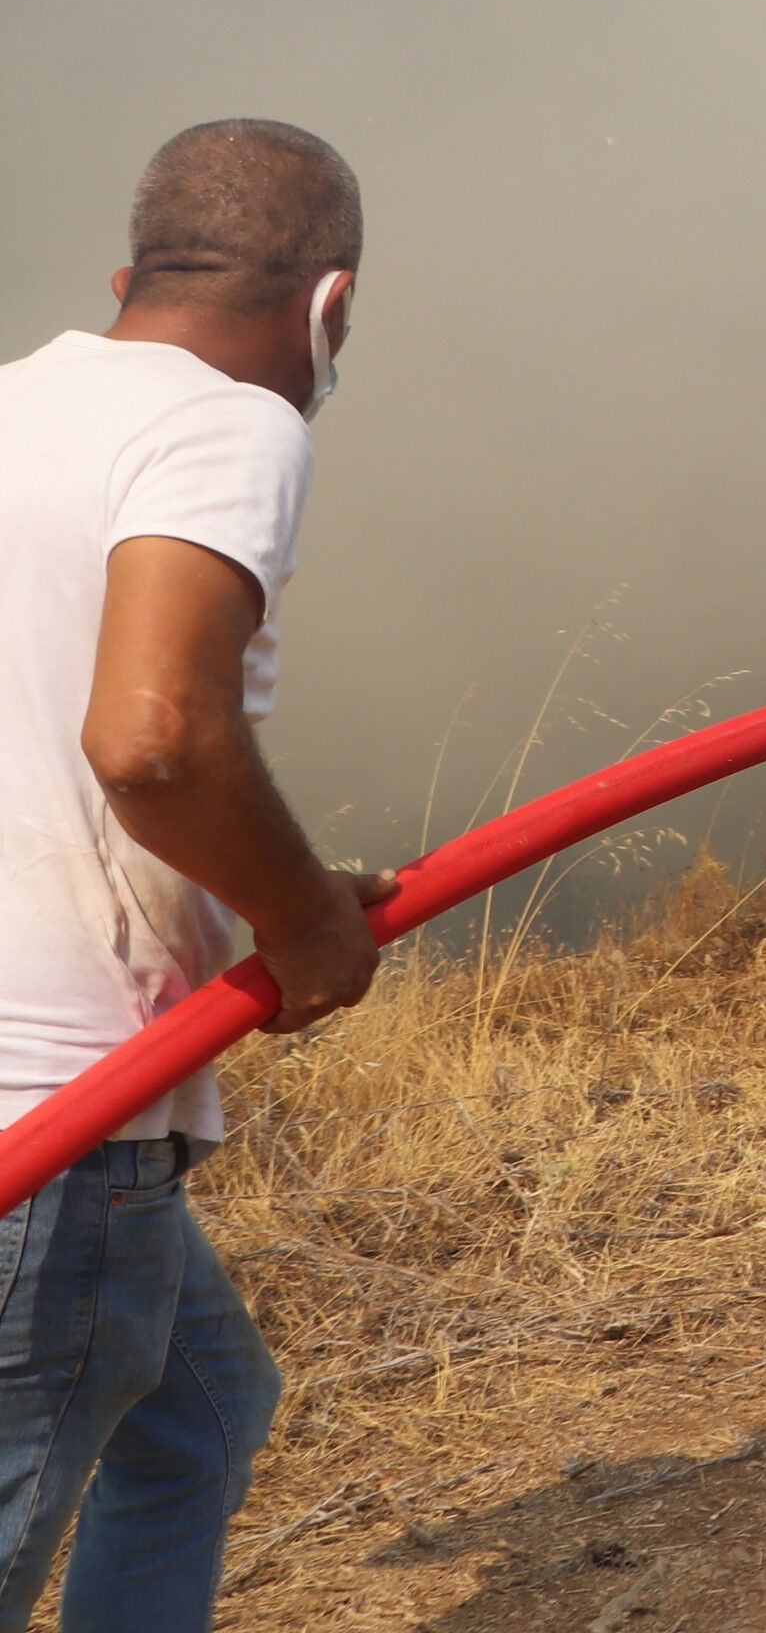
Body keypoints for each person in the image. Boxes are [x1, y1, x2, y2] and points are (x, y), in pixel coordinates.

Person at [0, 119, 395, 1631]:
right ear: (329, 307)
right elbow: (154, 739)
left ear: (126, 277)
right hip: (56, 1120)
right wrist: (304, 925)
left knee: (202, 1418)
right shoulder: (227, 423)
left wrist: (264, 882)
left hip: (58, 1111)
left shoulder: (18, 405)